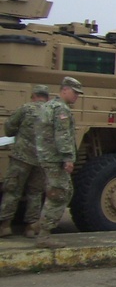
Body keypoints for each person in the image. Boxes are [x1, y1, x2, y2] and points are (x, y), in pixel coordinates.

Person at [34, 77, 84, 248]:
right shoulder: (61, 109)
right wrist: (68, 158)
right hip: (55, 158)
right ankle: (44, 235)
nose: (76, 96)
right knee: (59, 193)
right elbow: (62, 136)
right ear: (64, 90)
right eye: (75, 92)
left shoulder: (47, 106)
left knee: (59, 191)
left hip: (46, 156)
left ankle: (40, 226)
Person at [0, 85, 51, 238]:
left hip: (21, 158)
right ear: (47, 98)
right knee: (35, 193)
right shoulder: (52, 112)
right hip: (42, 159)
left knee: (12, 190)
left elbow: (9, 129)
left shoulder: (25, 109)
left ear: (33, 95)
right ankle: (31, 227)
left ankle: (5, 225)